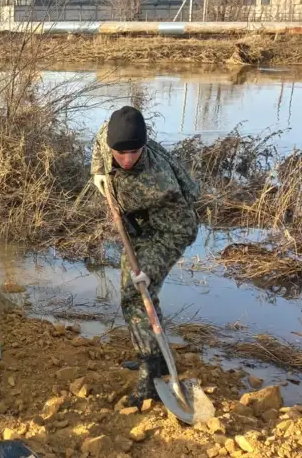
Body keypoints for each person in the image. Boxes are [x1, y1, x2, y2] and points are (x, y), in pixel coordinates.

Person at [90, 106, 199, 407]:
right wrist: (99, 171)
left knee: (137, 293)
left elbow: (178, 230)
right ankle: (158, 357)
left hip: (169, 231)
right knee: (134, 295)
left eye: (134, 153)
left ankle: (151, 373)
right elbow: (99, 142)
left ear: (144, 145)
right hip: (137, 227)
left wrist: (150, 269)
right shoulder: (107, 136)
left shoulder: (159, 181)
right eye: (119, 153)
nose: (126, 160)